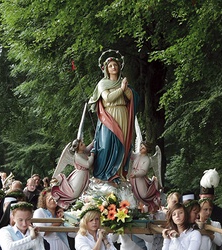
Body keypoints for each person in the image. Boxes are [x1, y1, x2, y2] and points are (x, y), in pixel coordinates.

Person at [88, 51, 138, 183]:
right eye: (110, 66)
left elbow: (131, 98)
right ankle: (103, 174)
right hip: (108, 116)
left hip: (122, 114)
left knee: (123, 143)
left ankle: (118, 174)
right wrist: (121, 89)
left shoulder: (123, 82)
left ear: (119, 67)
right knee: (106, 144)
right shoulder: (103, 84)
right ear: (106, 69)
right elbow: (108, 98)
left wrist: (127, 89)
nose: (113, 67)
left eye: (115, 65)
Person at [51, 139, 94, 209]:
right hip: (80, 175)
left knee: (83, 190)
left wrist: (93, 142)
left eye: (82, 143)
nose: (84, 144)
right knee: (75, 193)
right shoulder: (77, 156)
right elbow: (88, 164)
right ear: (78, 148)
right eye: (81, 144)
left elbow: (88, 149)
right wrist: (92, 155)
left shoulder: (82, 152)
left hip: (84, 174)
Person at [129, 141, 160, 213]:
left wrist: (136, 174)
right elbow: (131, 155)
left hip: (139, 178)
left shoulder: (147, 159)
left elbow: (144, 171)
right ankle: (135, 209)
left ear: (147, 149)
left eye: (143, 147)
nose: (141, 148)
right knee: (132, 194)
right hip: (132, 177)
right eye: (141, 146)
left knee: (143, 195)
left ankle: (149, 204)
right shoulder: (137, 156)